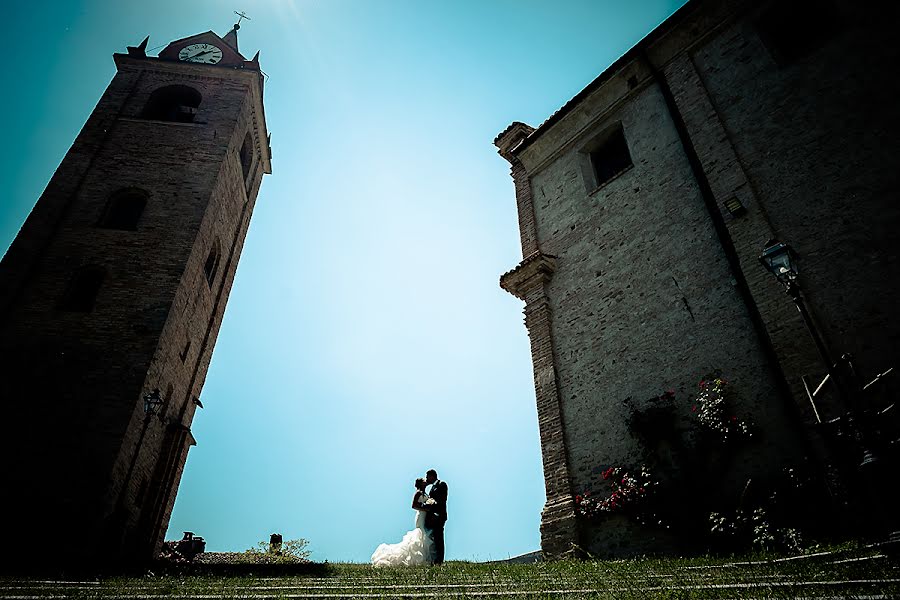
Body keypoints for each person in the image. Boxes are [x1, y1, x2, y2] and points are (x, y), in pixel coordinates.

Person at [370, 478, 435, 567]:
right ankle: (417, 559)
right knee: (420, 534)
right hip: (421, 516)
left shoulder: (425, 493)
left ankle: (424, 558)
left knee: (424, 535)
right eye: (423, 481)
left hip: (425, 516)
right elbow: (414, 505)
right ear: (420, 484)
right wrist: (426, 508)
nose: (425, 481)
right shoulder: (418, 493)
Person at [423, 469, 448, 565]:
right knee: (434, 538)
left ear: (432, 476)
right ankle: (435, 559)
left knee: (439, 538)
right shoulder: (432, 488)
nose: (426, 479)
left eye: (427, 477)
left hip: (439, 516)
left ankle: (440, 560)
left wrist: (433, 508)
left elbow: (442, 500)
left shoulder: (442, 484)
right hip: (433, 517)